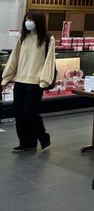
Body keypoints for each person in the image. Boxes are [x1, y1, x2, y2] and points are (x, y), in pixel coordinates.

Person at [1, 11, 56, 152]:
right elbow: (13, 59)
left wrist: (44, 81)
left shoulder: (48, 39)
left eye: (31, 19)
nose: (28, 22)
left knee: (29, 112)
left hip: (36, 82)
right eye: (26, 19)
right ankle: (27, 143)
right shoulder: (22, 38)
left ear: (38, 21)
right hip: (20, 81)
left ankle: (44, 138)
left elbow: (49, 62)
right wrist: (5, 78)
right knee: (19, 113)